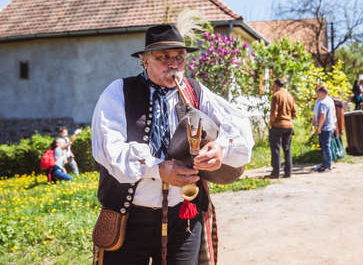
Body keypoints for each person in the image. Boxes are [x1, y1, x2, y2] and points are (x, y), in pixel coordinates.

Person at [91, 24, 254, 265]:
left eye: (179, 57)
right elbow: (109, 150)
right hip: (130, 218)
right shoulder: (119, 92)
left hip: (184, 217)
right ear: (145, 61)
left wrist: (221, 148)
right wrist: (157, 169)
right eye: (163, 57)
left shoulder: (195, 91)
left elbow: (239, 126)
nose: (173, 64)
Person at [268, 78, 297, 178]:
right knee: (287, 149)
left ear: (276, 85)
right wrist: (288, 119)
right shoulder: (289, 96)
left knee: (276, 149)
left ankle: (275, 173)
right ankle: (288, 172)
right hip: (289, 125)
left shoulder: (276, 95)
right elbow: (294, 112)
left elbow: (274, 113)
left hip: (278, 126)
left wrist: (271, 124)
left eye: (273, 85)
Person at [311, 85, 336, 172]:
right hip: (326, 127)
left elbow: (322, 116)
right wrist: (313, 125)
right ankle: (324, 163)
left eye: (318, 92)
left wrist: (319, 128)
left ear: (322, 93)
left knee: (326, 146)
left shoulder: (324, 102)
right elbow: (315, 114)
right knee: (324, 146)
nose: (317, 94)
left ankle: (328, 165)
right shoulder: (320, 101)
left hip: (326, 127)